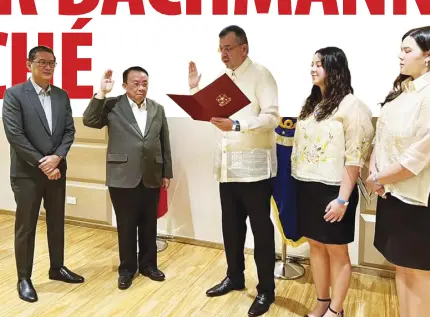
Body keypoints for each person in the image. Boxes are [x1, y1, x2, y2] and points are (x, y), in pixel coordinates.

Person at [366, 26, 430, 317]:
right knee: (402, 267)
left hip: (424, 198)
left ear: (429, 55)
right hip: (395, 191)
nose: (400, 56)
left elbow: (420, 156)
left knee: (421, 273)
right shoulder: (404, 90)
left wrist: (378, 178)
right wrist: (375, 170)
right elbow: (382, 134)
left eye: (407, 50)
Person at [188, 25, 279, 317]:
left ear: (244, 48)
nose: (224, 54)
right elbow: (210, 113)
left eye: (228, 48)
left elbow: (273, 116)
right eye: (221, 49)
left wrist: (238, 125)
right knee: (231, 227)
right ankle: (235, 277)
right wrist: (194, 90)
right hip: (227, 168)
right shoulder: (224, 79)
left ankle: (266, 289)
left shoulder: (261, 75)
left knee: (261, 231)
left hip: (254, 170)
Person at [291, 47, 374, 317]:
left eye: (320, 64)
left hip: (335, 190)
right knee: (315, 245)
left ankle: (336, 310)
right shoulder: (313, 103)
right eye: (312, 63)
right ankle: (322, 301)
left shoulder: (353, 106)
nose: (313, 68)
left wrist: (342, 200)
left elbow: (355, 158)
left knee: (337, 252)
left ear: (335, 68)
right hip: (307, 186)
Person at [2, 45, 84, 303]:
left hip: (57, 170)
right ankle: (24, 278)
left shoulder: (62, 95)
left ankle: (57, 267)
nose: (47, 67)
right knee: (26, 227)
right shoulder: (14, 94)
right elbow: (15, 135)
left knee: (56, 221)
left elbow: (69, 131)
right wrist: (43, 163)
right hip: (27, 173)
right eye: (42, 62)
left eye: (52, 63)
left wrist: (57, 158)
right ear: (29, 65)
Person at [82, 67, 173, 290]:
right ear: (124, 85)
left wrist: (166, 172)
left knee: (149, 223)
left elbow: (164, 141)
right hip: (122, 175)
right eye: (136, 83)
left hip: (151, 174)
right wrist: (101, 94)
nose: (141, 87)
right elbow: (89, 120)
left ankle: (149, 265)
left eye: (144, 83)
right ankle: (127, 269)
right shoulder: (112, 105)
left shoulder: (157, 108)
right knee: (126, 224)